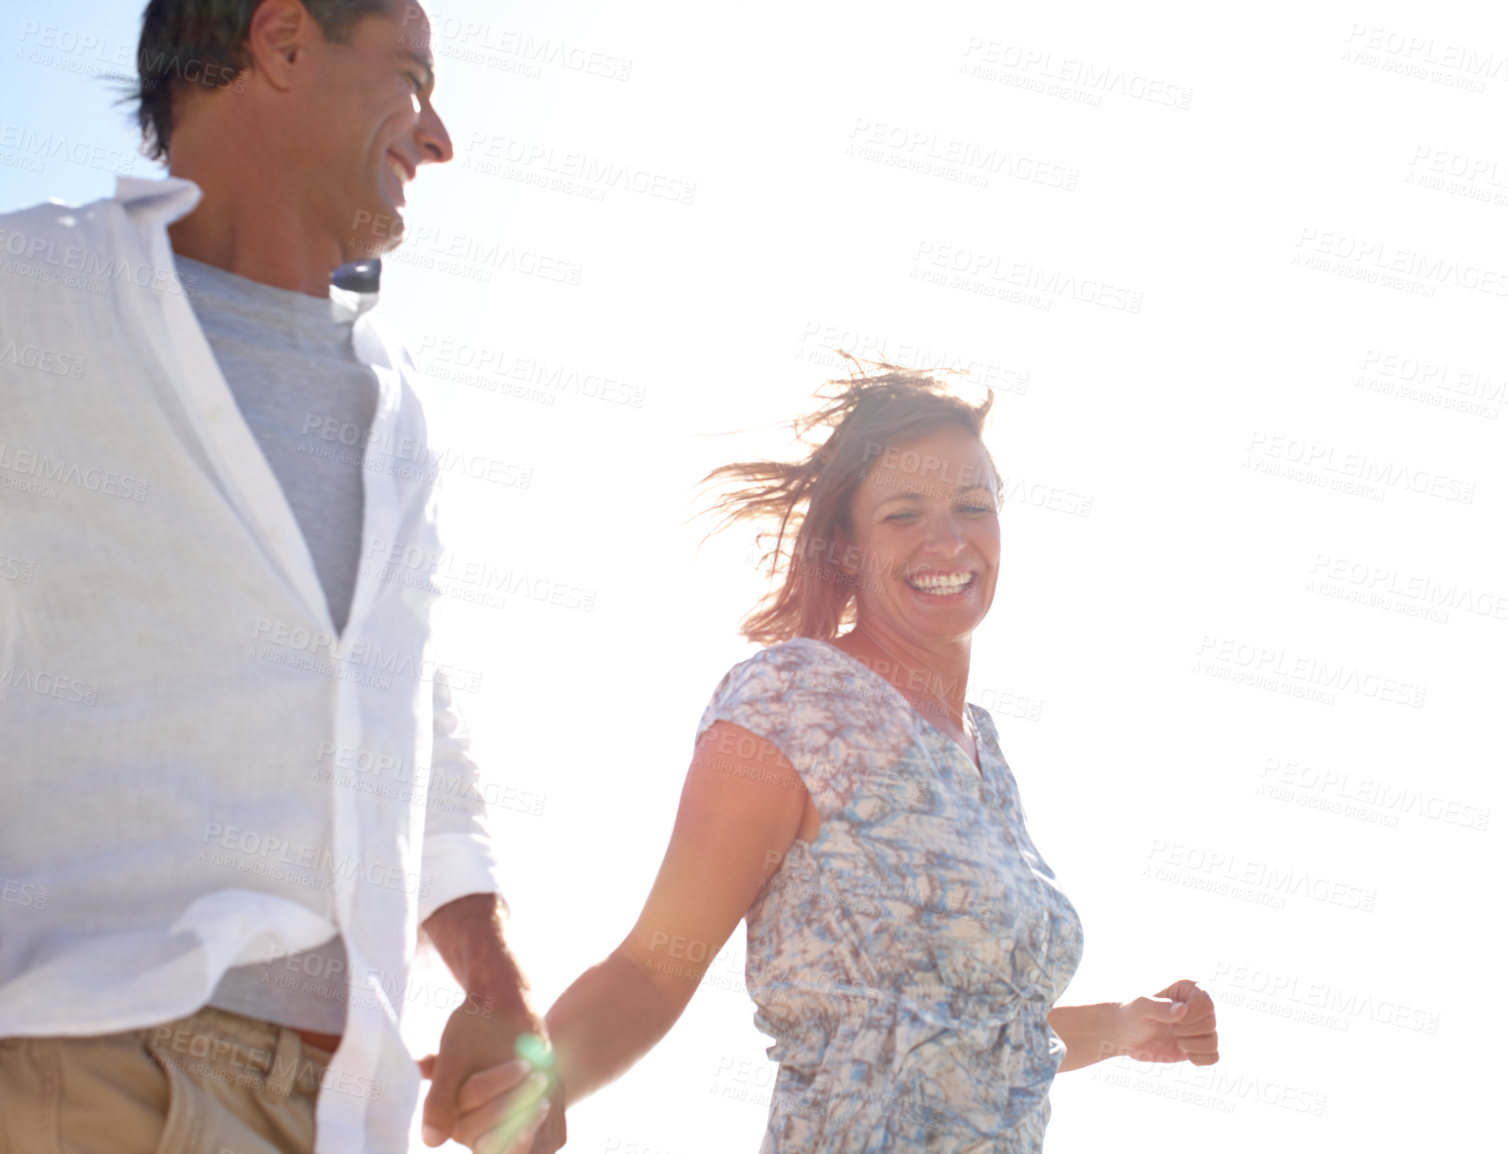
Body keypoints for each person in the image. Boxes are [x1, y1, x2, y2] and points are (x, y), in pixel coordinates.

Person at [0, 2, 562, 1152]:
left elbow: (403, 711)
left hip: (341, 1103)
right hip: (90, 1068)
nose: (439, 135)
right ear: (284, 40)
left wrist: (495, 988)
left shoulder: (393, 397)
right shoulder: (31, 286)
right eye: (410, 76)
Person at [430, 369, 1219, 1152]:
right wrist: (543, 1081)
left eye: (972, 508)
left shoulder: (986, 753)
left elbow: (986, 1036)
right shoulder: (795, 699)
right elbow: (652, 968)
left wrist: (1130, 1025)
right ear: (846, 548)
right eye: (903, 514)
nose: (947, 540)